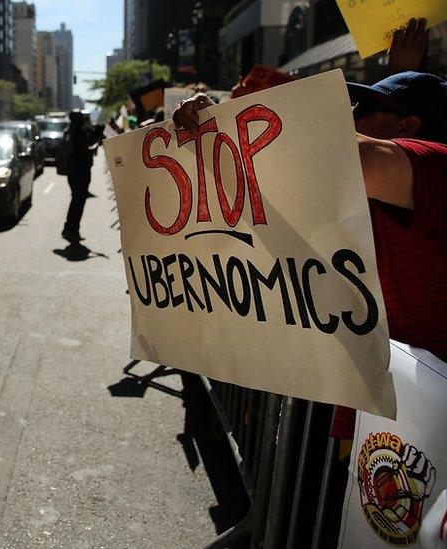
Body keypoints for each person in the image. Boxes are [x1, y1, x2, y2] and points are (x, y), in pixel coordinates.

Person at [173, 73, 447, 362]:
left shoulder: (436, 164)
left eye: (363, 108)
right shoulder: (368, 189)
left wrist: (233, 117)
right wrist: (216, 121)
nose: (349, 114)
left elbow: (346, 154)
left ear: (408, 125)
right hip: (370, 388)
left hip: (419, 400)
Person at [60, 109, 100, 242]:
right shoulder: (78, 132)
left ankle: (69, 228)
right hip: (80, 172)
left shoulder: (69, 131)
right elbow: (86, 150)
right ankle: (72, 230)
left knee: (76, 200)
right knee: (78, 201)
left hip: (72, 172)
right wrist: (97, 144)